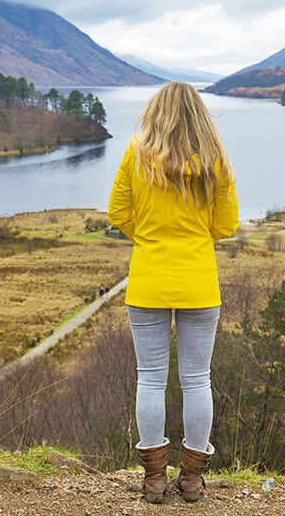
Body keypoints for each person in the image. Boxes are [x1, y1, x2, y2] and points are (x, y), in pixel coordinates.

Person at [107, 82, 239, 503]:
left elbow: (118, 214)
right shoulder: (214, 160)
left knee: (151, 378)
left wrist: (146, 237)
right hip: (199, 283)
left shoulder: (136, 153)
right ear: (199, 115)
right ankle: (192, 480)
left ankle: (153, 480)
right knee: (198, 379)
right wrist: (195, 239)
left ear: (156, 112)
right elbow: (226, 226)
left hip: (147, 281)